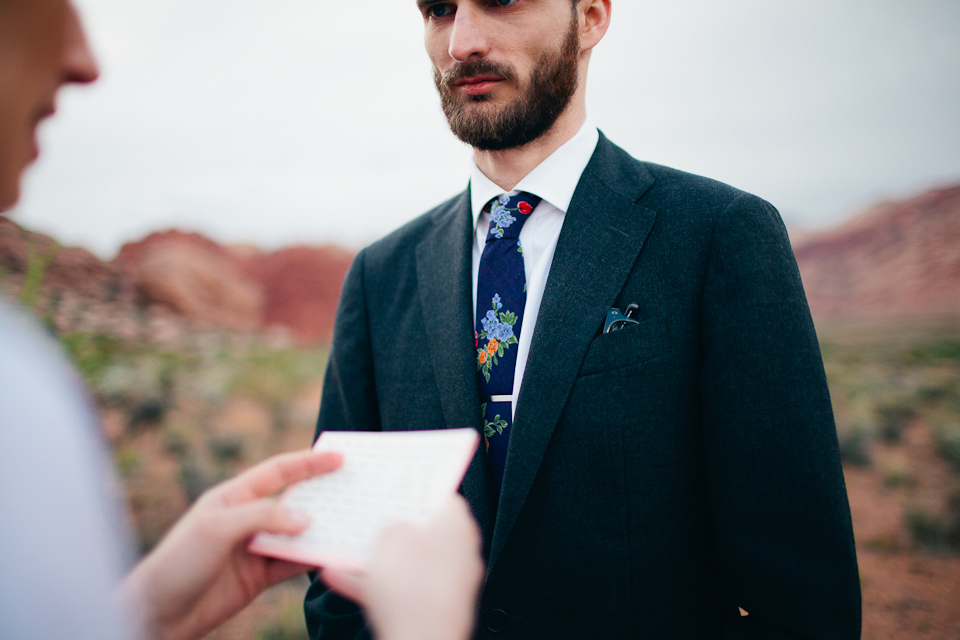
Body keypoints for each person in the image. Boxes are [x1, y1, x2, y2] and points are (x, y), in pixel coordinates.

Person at [305, 0, 861, 638]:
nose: (462, 41)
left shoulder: (717, 236)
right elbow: (339, 568)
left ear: (591, 16)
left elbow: (802, 600)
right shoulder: (382, 274)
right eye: (438, 10)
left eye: (501, 2)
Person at [0, 1, 483, 639]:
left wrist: (147, 617)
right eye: (440, 9)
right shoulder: (17, 394)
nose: (86, 60)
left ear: (591, 16)